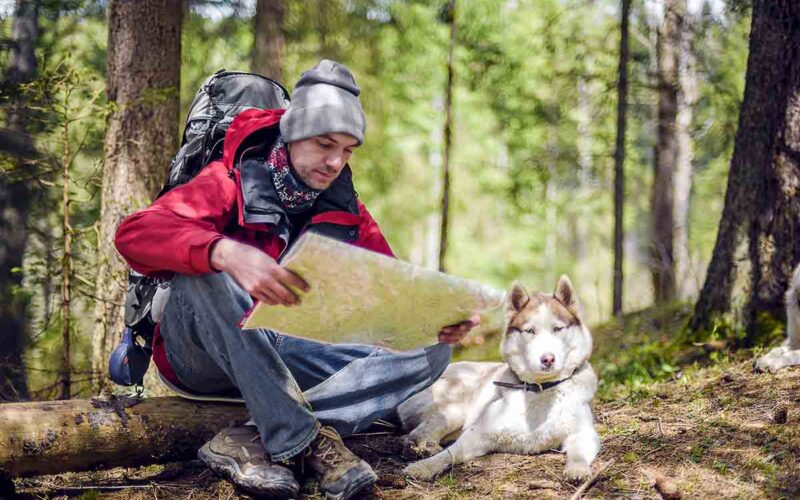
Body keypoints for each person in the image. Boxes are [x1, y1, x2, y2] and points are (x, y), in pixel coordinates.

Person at [115, 60, 479, 499]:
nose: (335, 162)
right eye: (325, 144)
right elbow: (134, 233)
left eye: (347, 150)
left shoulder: (346, 208)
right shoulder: (227, 179)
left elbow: (388, 294)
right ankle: (299, 439)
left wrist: (430, 319)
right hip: (202, 355)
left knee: (433, 348)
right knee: (204, 275)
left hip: (285, 349)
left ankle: (251, 437)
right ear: (293, 133)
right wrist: (224, 252)